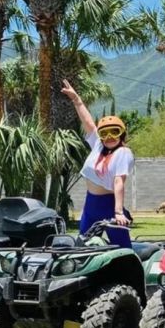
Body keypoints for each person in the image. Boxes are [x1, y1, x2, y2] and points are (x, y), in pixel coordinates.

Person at [61, 79, 135, 249]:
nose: (109, 137)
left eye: (114, 132)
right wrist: (76, 99)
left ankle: (132, 275)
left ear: (122, 134)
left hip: (108, 206)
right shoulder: (99, 146)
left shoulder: (123, 153)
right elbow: (88, 123)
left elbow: (118, 182)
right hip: (90, 205)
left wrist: (118, 212)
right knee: (82, 248)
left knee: (122, 248)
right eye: (104, 133)